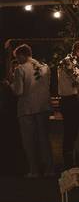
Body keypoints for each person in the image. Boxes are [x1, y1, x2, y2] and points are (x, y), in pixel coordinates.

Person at [10, 45, 54, 177]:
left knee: (29, 141)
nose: (17, 60)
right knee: (44, 139)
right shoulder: (45, 67)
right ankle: (49, 169)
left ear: (22, 55)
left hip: (27, 108)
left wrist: (11, 84)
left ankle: (34, 170)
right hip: (43, 106)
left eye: (17, 57)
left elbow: (19, 91)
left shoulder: (20, 69)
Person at [58, 41, 79, 168]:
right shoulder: (68, 62)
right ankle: (70, 163)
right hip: (70, 101)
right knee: (71, 132)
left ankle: (75, 162)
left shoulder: (73, 63)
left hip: (73, 100)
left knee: (75, 132)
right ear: (78, 50)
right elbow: (78, 80)